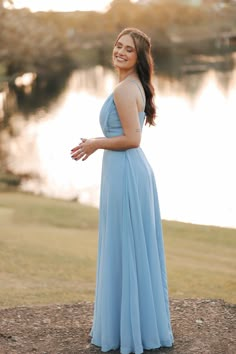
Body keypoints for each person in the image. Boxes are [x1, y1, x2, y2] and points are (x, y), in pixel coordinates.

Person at [71, 27, 174, 354]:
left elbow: (132, 139)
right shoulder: (134, 86)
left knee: (126, 246)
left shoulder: (125, 89)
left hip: (127, 171)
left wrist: (94, 143)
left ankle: (127, 332)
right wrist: (98, 144)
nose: (120, 51)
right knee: (127, 246)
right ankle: (131, 326)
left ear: (138, 57)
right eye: (118, 45)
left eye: (128, 49)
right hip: (126, 171)